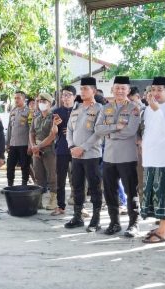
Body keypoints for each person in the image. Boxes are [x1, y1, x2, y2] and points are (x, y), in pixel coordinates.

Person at [95, 76, 141, 237]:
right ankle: (114, 223)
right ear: (112, 90)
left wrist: (110, 133)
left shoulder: (134, 108)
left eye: (123, 88)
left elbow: (130, 131)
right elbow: (98, 129)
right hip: (108, 157)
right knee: (110, 192)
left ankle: (133, 224)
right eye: (117, 88)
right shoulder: (105, 108)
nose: (120, 91)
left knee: (131, 192)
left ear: (128, 90)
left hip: (127, 157)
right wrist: (116, 127)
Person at [141, 76, 165, 243]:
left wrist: (157, 110)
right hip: (150, 156)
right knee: (154, 193)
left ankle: (162, 231)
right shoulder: (150, 107)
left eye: (159, 90)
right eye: (153, 89)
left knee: (164, 193)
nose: (155, 93)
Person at [64, 77, 104, 232]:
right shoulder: (77, 108)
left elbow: (98, 133)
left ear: (93, 90)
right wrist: (72, 146)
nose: (82, 91)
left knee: (94, 187)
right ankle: (77, 216)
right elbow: (69, 130)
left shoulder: (99, 108)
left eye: (85, 89)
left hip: (91, 155)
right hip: (75, 155)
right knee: (77, 186)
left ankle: (96, 219)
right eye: (81, 89)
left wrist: (83, 148)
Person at [51, 86, 76, 216]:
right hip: (61, 148)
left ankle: (79, 206)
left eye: (68, 95)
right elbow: (54, 133)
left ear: (74, 97)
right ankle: (61, 206)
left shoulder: (79, 110)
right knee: (60, 179)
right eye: (63, 95)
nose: (65, 97)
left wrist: (72, 132)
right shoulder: (57, 112)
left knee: (77, 179)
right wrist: (55, 124)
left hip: (76, 149)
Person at [29, 93, 58, 210]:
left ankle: (53, 200)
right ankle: (39, 200)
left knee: (52, 176)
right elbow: (31, 133)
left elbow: (52, 136)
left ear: (50, 104)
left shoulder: (54, 117)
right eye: (39, 101)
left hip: (49, 150)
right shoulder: (36, 117)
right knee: (38, 176)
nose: (41, 103)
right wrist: (33, 146)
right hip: (37, 151)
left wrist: (38, 146)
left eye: (44, 101)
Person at [5, 91, 31, 188]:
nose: (16, 100)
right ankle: (10, 185)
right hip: (13, 144)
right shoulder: (13, 111)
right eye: (15, 98)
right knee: (10, 166)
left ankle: (24, 184)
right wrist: (7, 143)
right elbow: (9, 128)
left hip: (24, 144)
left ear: (24, 99)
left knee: (25, 166)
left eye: (18, 98)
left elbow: (31, 130)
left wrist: (30, 144)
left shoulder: (28, 112)